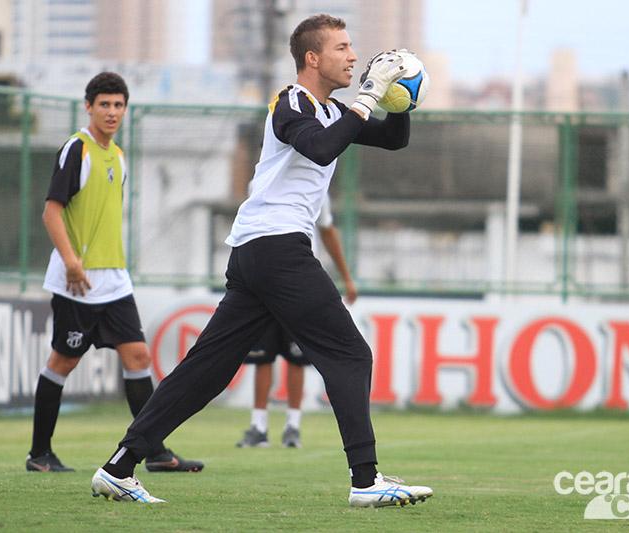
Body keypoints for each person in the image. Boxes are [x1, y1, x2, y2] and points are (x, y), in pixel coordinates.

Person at [90, 15, 433, 507]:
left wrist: (402, 97)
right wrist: (368, 94)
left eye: (353, 48)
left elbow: (393, 139)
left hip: (259, 252)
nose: (354, 57)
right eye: (342, 47)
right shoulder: (290, 101)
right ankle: (365, 482)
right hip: (276, 249)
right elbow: (317, 149)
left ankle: (118, 467)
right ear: (312, 58)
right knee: (350, 354)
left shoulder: (334, 110)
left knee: (206, 370)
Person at [27, 72, 204, 474]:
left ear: (125, 109)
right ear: (88, 106)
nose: (112, 112)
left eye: (118, 104)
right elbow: (51, 210)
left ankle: (155, 452)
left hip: (114, 279)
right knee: (63, 362)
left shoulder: (119, 156)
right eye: (104, 104)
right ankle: (39, 454)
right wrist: (71, 261)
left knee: (138, 355)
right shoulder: (78, 149)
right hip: (79, 280)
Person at [236, 194, 358, 449]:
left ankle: (293, 426)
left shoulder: (317, 185)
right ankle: (259, 426)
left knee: (296, 356)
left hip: (296, 280)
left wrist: (347, 277)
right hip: (266, 277)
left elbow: (326, 229)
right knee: (263, 356)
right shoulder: (264, 179)